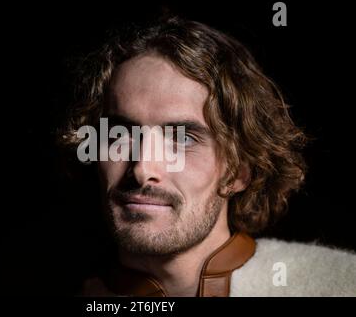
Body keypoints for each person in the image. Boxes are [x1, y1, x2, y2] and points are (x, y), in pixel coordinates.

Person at [58, 16, 356, 296]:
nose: (141, 168)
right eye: (119, 135)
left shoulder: (338, 283)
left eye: (182, 138)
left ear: (239, 170)